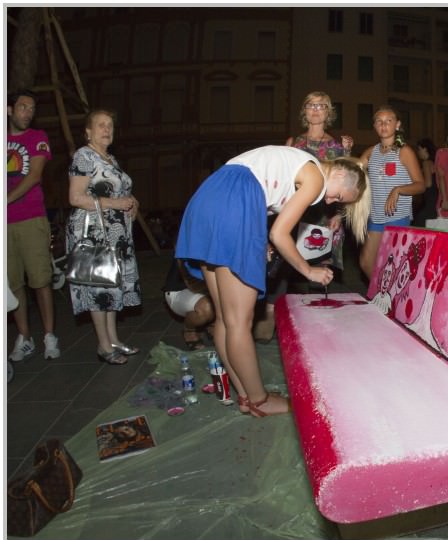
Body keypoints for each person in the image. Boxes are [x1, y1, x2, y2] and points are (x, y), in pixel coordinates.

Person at [175, 146, 370, 418]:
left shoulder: (297, 165)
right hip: (235, 199)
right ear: (336, 172)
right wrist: (309, 271)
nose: (329, 201)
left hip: (210, 195)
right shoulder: (315, 176)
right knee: (240, 321)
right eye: (337, 194)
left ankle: (245, 395)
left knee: (225, 318)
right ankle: (260, 399)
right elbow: (281, 233)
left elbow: (265, 198)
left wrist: (259, 237)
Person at [252, 91, 353, 342]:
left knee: (318, 277)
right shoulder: (293, 142)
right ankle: (265, 337)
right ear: (304, 111)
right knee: (280, 273)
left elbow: (346, 185)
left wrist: (339, 215)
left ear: (329, 112)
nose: (316, 109)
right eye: (311, 105)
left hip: (323, 219)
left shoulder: (339, 146)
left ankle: (315, 338)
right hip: (292, 217)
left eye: (322, 106)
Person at [66, 109, 141, 365]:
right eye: (100, 125)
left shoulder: (110, 159)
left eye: (109, 125)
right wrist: (116, 203)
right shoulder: (84, 156)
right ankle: (103, 345)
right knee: (99, 287)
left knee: (111, 286)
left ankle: (114, 340)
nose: (106, 129)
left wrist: (132, 204)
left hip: (115, 234)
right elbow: (75, 197)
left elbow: (121, 193)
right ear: (88, 131)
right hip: (94, 232)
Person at [7, 89, 61, 362]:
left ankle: (49, 335)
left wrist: (6, 199)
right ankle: (24, 336)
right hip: (5, 226)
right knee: (13, 282)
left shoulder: (37, 139)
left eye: (31, 108)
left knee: (40, 280)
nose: (27, 113)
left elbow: (35, 175)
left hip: (31, 218)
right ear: (8, 110)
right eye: (22, 107)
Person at [359, 105, 424, 279]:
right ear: (374, 126)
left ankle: (392, 301)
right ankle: (383, 296)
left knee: (395, 264)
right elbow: (354, 171)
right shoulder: (371, 152)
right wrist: (344, 149)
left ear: (397, 125)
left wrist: (398, 189)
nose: (384, 125)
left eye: (389, 121)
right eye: (379, 121)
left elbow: (420, 185)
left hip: (398, 216)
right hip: (376, 216)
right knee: (366, 263)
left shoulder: (404, 151)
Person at [163, 259, 214, 351]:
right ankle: (189, 330)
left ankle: (212, 323)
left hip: (206, 289)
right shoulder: (190, 246)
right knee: (207, 307)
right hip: (179, 290)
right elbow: (192, 282)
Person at [412, 138, 438, 228]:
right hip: (436, 200)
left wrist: (415, 186)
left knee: (419, 225)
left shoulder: (426, 163)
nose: (418, 152)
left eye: (419, 149)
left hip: (430, 201)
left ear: (425, 149)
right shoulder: (435, 162)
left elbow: (428, 184)